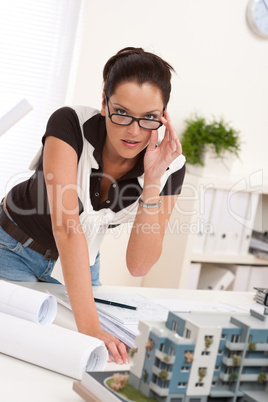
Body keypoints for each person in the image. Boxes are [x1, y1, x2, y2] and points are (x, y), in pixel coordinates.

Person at [0, 47, 185, 364]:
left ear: (163, 116)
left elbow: (138, 266)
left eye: (149, 118)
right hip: (13, 247)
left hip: (81, 263)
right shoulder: (70, 123)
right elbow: (67, 227)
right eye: (122, 112)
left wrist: (153, 179)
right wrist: (90, 327)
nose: (134, 130)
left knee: (101, 358)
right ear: (104, 103)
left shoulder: (170, 165)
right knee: (22, 352)